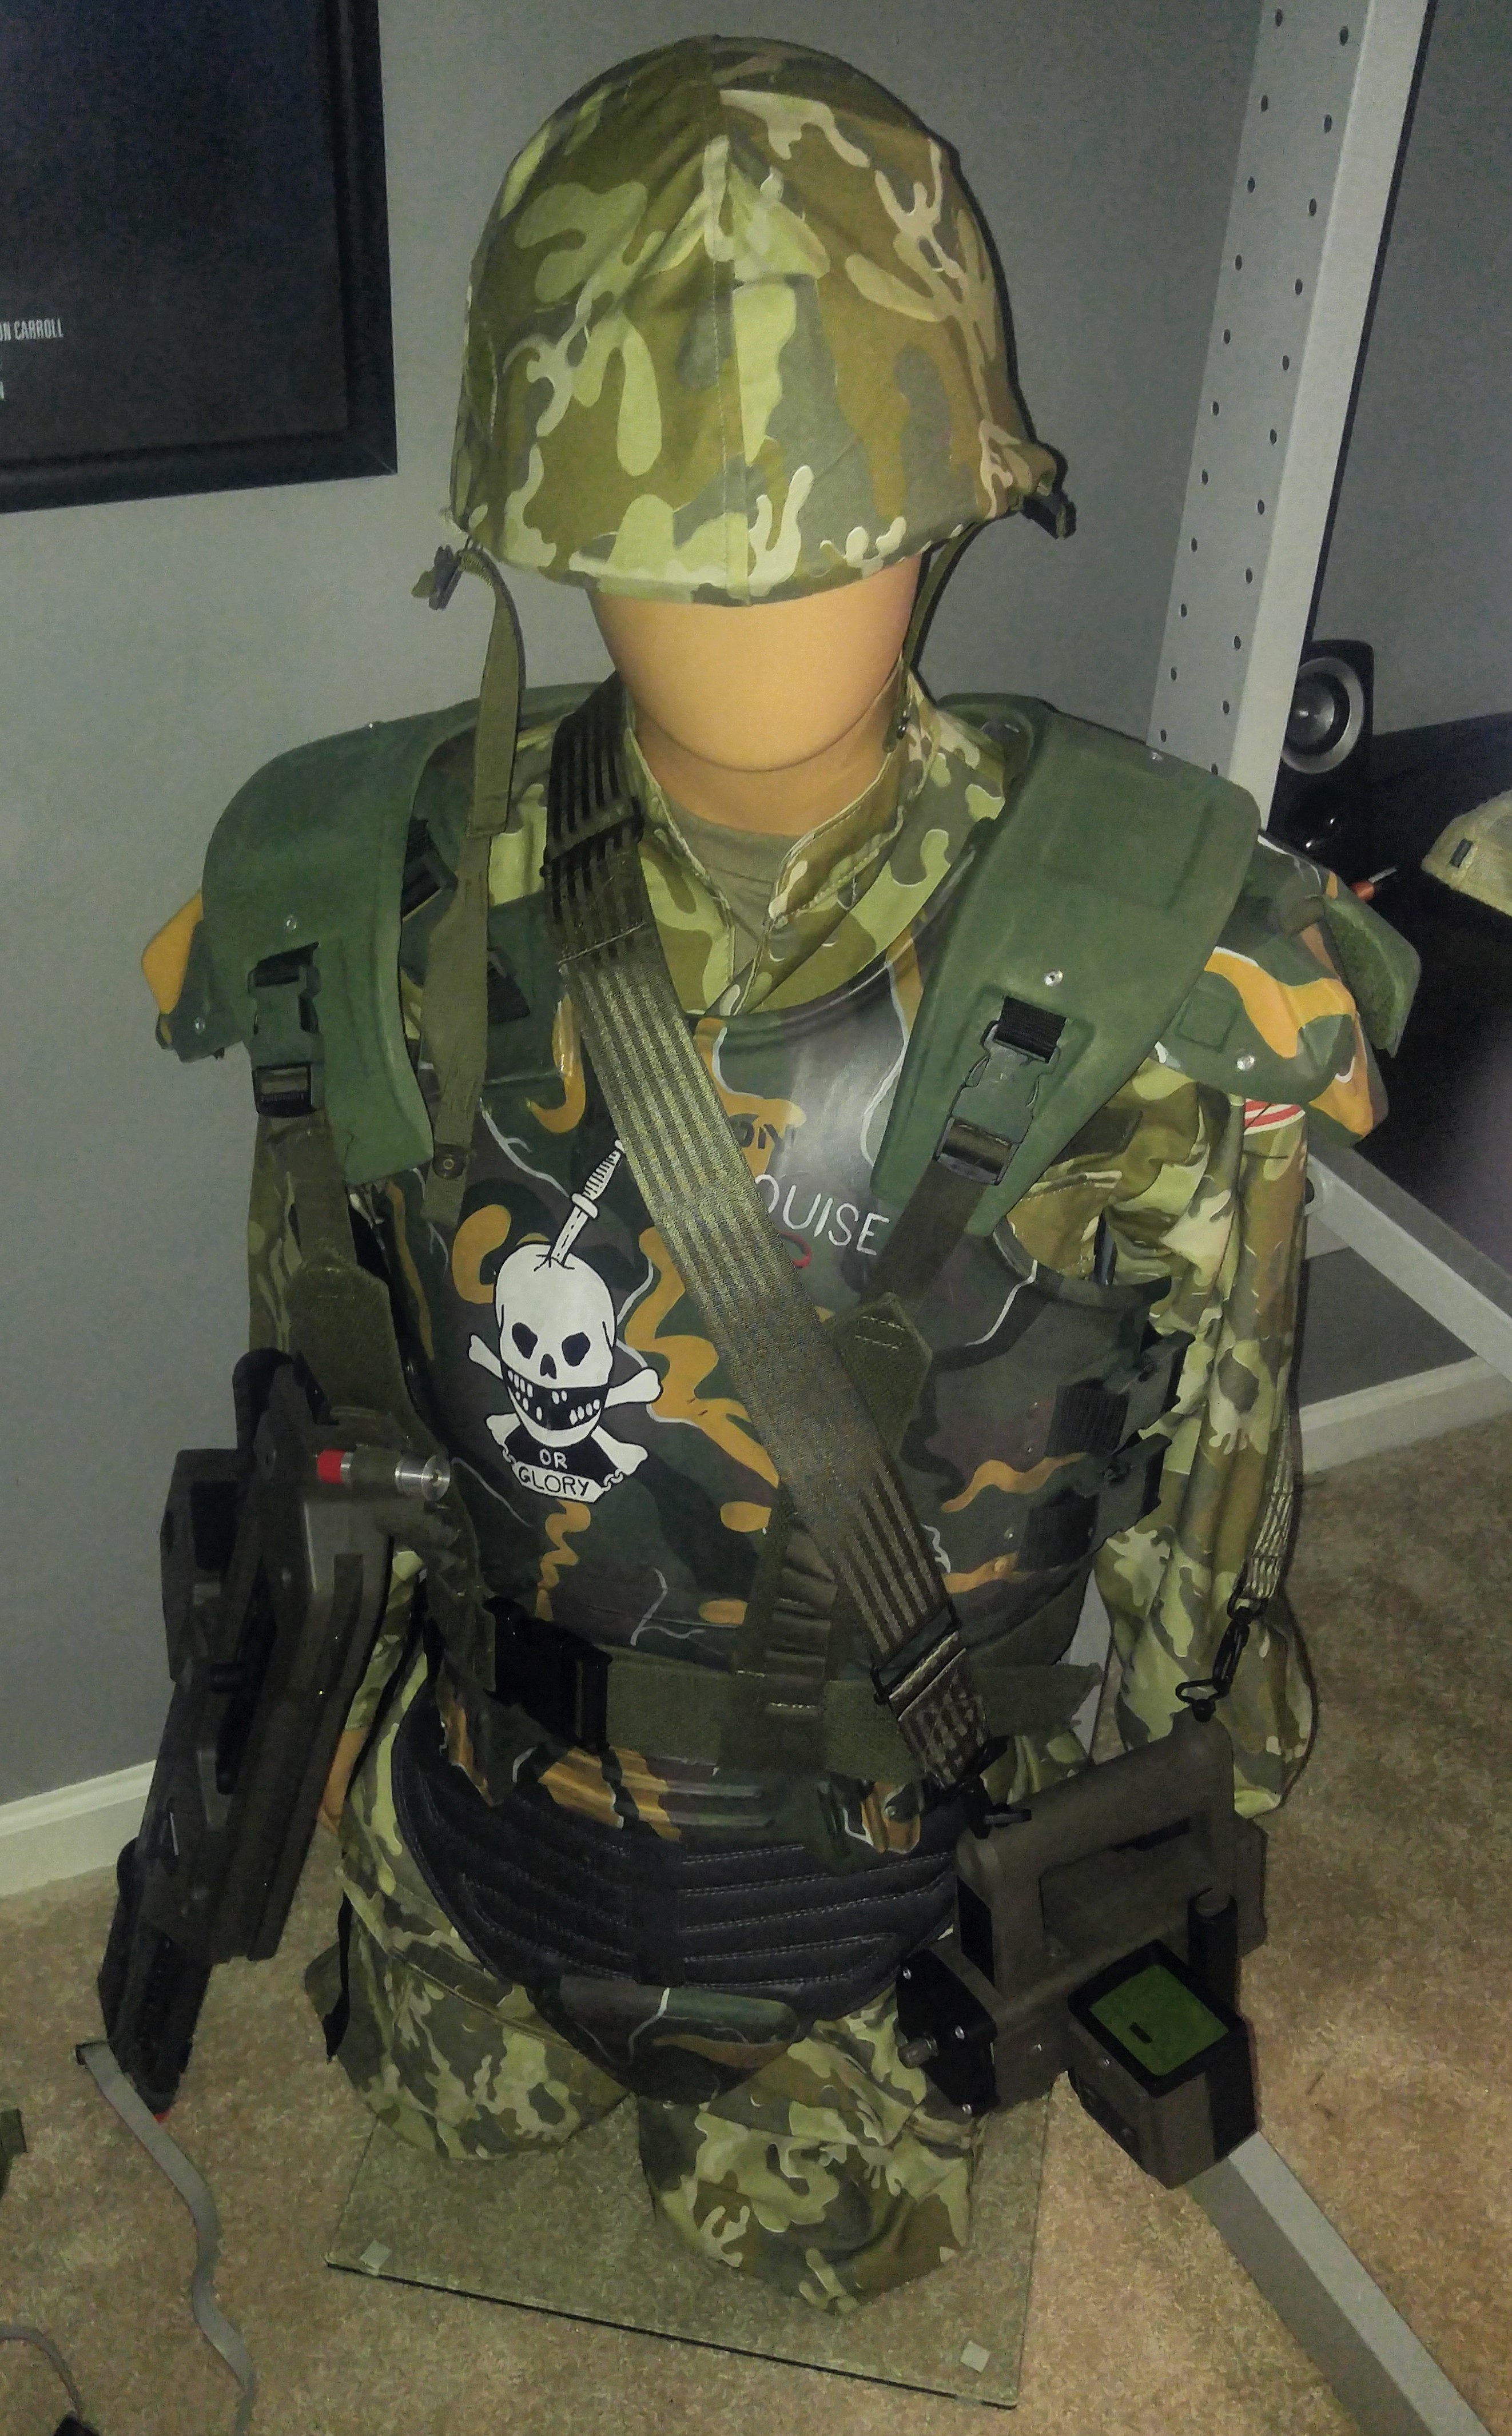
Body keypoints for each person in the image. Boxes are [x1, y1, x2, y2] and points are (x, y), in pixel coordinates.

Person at [145, 35, 1405, 2316]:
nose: (750, 597)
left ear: (943, 518)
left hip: (879, 1908)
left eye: (822, 531)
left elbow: (1202, 1545)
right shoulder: (341, 896)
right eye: (673, 543)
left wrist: (1150, 1863)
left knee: (837, 2246)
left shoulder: (1169, 972)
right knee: (428, 2111)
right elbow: (329, 1417)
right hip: (471, 1840)